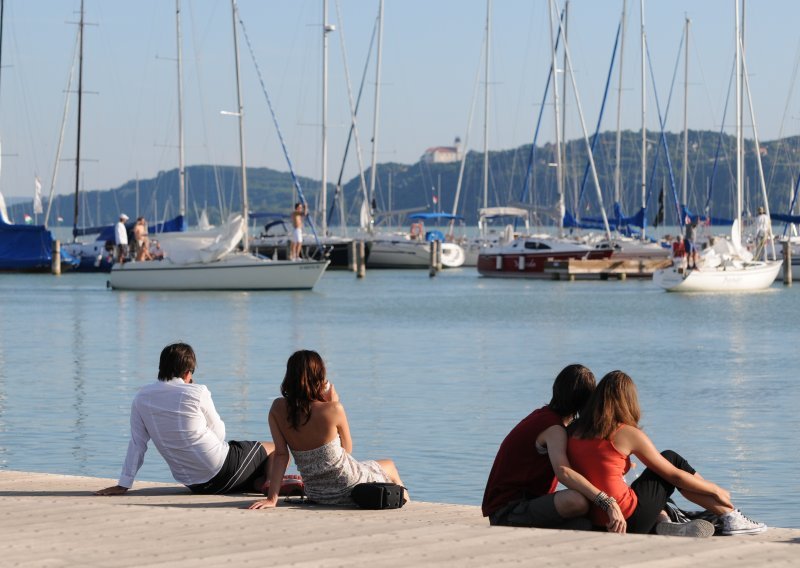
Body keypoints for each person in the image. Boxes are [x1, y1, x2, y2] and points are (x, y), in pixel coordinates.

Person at [567, 370, 767, 537]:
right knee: (671, 459)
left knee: (656, 486)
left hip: (597, 517)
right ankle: (730, 516)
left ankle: (667, 521)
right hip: (628, 519)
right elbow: (674, 476)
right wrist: (714, 489)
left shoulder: (574, 430)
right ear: (628, 400)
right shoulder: (626, 433)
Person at [95, 342, 275, 496]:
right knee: (275, 449)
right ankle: (271, 483)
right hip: (220, 468)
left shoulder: (141, 398)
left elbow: (137, 444)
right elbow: (219, 433)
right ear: (188, 373)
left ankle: (261, 483)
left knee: (248, 464)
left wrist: (124, 484)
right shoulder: (197, 391)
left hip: (195, 484)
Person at [249, 350, 405, 509]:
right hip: (350, 487)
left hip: (317, 493)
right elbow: (347, 450)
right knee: (390, 465)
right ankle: (407, 506)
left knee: (379, 467)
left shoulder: (277, 408)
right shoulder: (334, 409)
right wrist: (333, 402)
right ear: (319, 377)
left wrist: (272, 499)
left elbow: (281, 455)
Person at [482, 364, 625, 532]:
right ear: (586, 399)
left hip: (519, 505)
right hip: (507, 511)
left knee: (585, 525)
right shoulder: (553, 429)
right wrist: (606, 501)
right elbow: (564, 472)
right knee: (576, 501)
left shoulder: (543, 415)